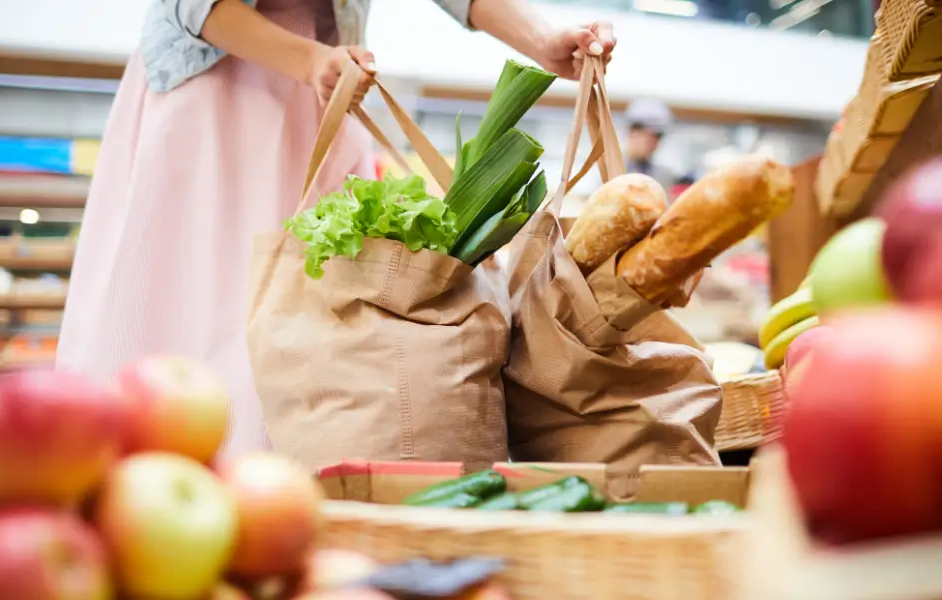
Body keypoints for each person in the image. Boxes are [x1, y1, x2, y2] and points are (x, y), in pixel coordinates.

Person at [56, 0, 617, 458]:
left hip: (330, 83)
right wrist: (308, 61)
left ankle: (275, 510)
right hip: (219, 82)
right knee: (195, 312)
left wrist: (543, 39)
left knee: (310, 321)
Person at [624, 98, 679, 191]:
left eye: (657, 136)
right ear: (632, 132)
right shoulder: (607, 170)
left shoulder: (665, 177)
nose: (649, 142)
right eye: (643, 134)